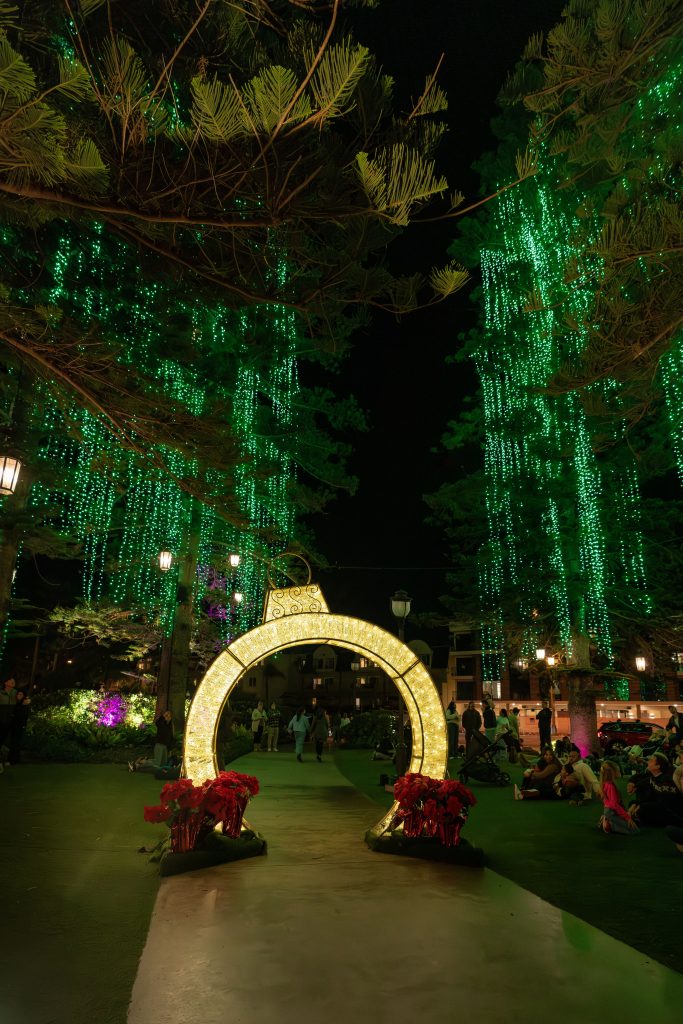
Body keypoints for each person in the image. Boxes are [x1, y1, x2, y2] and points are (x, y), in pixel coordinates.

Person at [628, 753, 683, 827]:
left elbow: (664, 804)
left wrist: (641, 805)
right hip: (659, 806)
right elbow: (640, 782)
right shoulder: (653, 776)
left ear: (658, 766)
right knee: (633, 803)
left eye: (651, 761)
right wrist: (636, 803)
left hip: (672, 812)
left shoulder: (667, 781)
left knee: (643, 809)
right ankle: (637, 817)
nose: (648, 762)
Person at [599, 761, 639, 834]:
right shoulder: (610, 786)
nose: (620, 772)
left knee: (633, 824)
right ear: (612, 772)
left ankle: (608, 819)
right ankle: (609, 823)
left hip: (610, 811)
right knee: (634, 830)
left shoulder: (606, 783)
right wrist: (627, 817)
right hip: (612, 812)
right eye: (618, 770)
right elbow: (614, 805)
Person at [8, 689, 30, 765]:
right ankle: (14, 759)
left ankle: (13, 760)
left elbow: (24, 716)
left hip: (20, 726)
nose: (19, 696)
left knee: (16, 743)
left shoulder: (24, 704)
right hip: (14, 726)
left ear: (23, 696)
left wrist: (23, 725)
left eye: (21, 694)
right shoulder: (16, 703)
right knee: (14, 742)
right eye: (18, 694)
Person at [0, 677, 17, 768]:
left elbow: (24, 697)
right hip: (1, 720)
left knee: (7, 740)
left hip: (11, 721)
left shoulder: (16, 693)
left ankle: (8, 760)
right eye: (11, 681)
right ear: (5, 682)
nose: (13, 682)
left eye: (14, 681)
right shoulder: (1, 693)